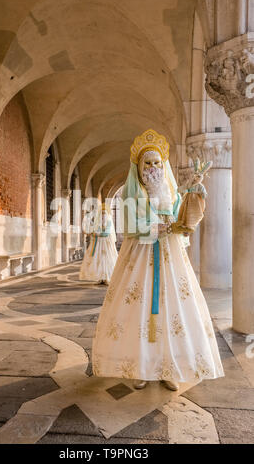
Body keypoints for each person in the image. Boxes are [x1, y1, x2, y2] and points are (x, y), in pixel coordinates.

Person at [92, 129, 224, 391]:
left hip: (169, 258)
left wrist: (194, 195)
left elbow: (180, 216)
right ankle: (142, 368)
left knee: (171, 309)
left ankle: (169, 368)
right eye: (148, 163)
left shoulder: (171, 194)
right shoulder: (132, 195)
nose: (153, 168)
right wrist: (159, 229)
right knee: (137, 311)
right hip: (139, 259)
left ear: (163, 167)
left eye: (157, 163)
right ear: (139, 167)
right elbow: (131, 226)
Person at [79, 203, 118, 285]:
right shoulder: (97, 223)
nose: (103, 216)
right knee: (99, 260)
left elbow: (106, 233)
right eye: (101, 214)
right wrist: (93, 232)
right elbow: (93, 230)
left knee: (107, 260)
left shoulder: (109, 222)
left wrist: (97, 234)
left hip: (106, 245)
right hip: (98, 245)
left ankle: (107, 278)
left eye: (104, 214)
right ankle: (100, 278)